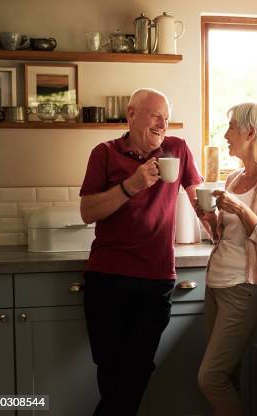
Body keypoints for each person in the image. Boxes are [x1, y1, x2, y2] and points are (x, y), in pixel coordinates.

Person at [79, 88, 209, 416]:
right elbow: (87, 211)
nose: (163, 123)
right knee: (110, 371)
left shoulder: (176, 150)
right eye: (155, 115)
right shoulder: (105, 153)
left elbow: (198, 199)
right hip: (107, 278)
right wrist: (131, 186)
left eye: (166, 117)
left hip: (155, 280)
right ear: (131, 115)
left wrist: (219, 227)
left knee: (136, 369)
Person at [197, 102, 257, 416]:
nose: (226, 135)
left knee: (210, 378)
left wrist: (240, 209)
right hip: (216, 284)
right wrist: (210, 220)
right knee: (227, 377)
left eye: (232, 128)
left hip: (243, 288)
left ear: (251, 132)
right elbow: (226, 238)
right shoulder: (234, 179)